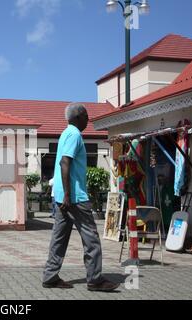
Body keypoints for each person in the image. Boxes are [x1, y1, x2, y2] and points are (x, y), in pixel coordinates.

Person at [42, 103, 119, 292]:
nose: (88, 119)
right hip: (74, 197)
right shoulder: (74, 135)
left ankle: (50, 276)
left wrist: (64, 195)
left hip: (62, 197)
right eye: (86, 116)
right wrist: (69, 195)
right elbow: (64, 162)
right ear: (77, 117)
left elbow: (64, 162)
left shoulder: (65, 134)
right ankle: (95, 280)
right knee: (91, 238)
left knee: (59, 237)